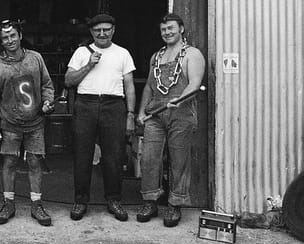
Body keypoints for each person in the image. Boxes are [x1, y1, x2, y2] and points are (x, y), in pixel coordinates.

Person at [135, 13, 206, 228]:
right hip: (155, 114)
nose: (167, 32)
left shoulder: (192, 54)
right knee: (149, 158)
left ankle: (175, 204)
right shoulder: (156, 56)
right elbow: (148, 86)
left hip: (181, 113)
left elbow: (194, 84)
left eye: (171, 28)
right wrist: (140, 112)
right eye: (164, 29)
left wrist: (180, 98)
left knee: (179, 160)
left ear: (181, 29)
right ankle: (150, 200)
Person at [64, 13, 136, 222]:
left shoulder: (123, 53)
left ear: (113, 30)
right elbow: (69, 80)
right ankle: (80, 201)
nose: (102, 33)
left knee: (114, 156)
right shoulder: (80, 52)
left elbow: (129, 85)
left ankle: (114, 200)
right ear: (91, 32)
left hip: (114, 105)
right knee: (82, 155)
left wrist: (130, 114)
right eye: (98, 30)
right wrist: (88, 65)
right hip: (85, 103)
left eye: (106, 29)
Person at [0, 20, 55, 226]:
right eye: (5, 37)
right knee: (9, 162)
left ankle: (37, 204)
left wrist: (48, 101)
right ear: (1, 40)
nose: (10, 40)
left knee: (34, 161)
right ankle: (8, 203)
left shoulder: (35, 58)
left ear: (20, 35)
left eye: (13, 35)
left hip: (35, 122)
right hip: (10, 123)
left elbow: (47, 85)